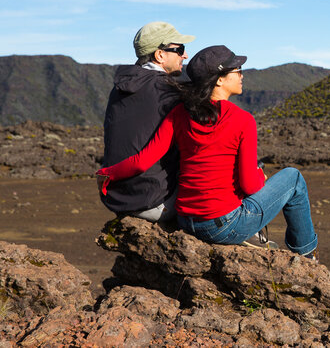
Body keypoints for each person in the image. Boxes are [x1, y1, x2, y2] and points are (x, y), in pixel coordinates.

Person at [96, 45, 318, 259]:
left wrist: (108, 173)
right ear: (220, 79)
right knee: (293, 178)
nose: (242, 75)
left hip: (185, 220)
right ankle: (306, 252)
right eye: (237, 70)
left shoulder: (179, 114)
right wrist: (260, 176)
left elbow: (143, 160)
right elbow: (251, 186)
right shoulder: (243, 120)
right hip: (222, 225)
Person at [100, 21, 194, 222]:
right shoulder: (168, 92)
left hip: (116, 197)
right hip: (154, 200)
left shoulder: (119, 89)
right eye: (180, 50)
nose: (185, 55)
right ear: (160, 55)